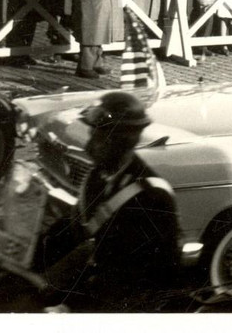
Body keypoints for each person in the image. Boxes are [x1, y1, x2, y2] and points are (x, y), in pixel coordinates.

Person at [36, 91, 178, 312]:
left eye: (99, 137)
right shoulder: (99, 175)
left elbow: (126, 275)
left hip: (137, 303)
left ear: (122, 142)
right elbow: (75, 228)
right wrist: (29, 258)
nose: (89, 146)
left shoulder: (151, 197)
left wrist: (69, 307)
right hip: (98, 285)